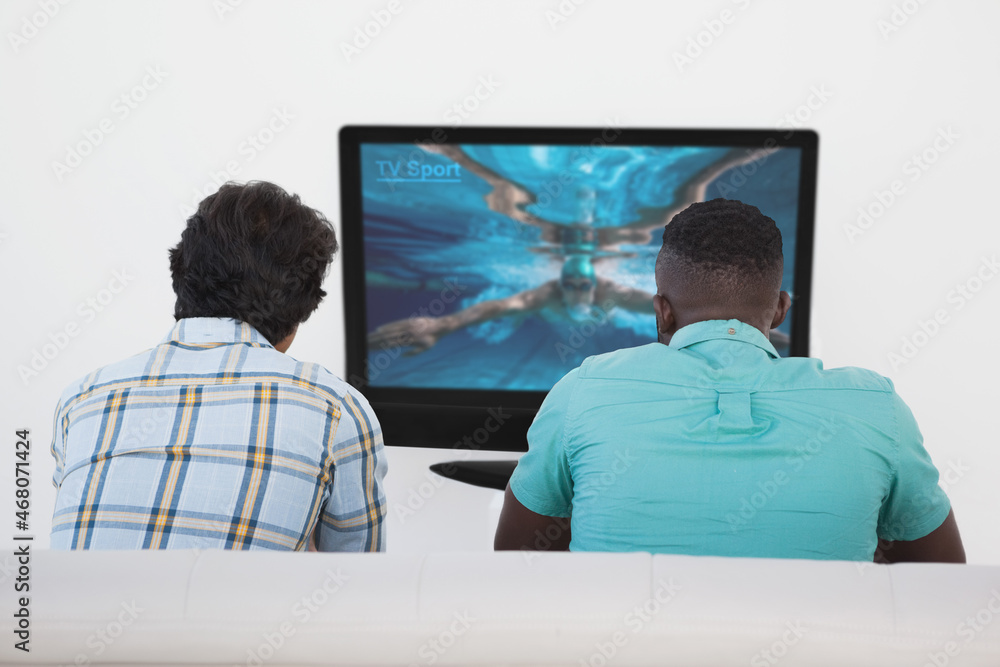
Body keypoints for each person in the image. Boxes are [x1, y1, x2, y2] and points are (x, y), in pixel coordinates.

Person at [495, 198, 965, 563]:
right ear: (781, 310)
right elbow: (937, 585)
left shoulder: (583, 391)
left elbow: (516, 566)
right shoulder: (876, 407)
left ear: (662, 312)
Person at [50, 181, 386, 552]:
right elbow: (358, 584)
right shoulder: (337, 409)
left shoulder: (81, 399)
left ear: (181, 275)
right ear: (299, 315)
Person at [368, 254, 655, 355]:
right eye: (569, 285)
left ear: (595, 285)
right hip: (544, 316)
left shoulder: (615, 293)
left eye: (584, 286)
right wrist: (443, 324)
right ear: (560, 284)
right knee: (517, 313)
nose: (577, 292)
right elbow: (495, 307)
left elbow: (659, 304)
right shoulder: (544, 295)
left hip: (600, 319)